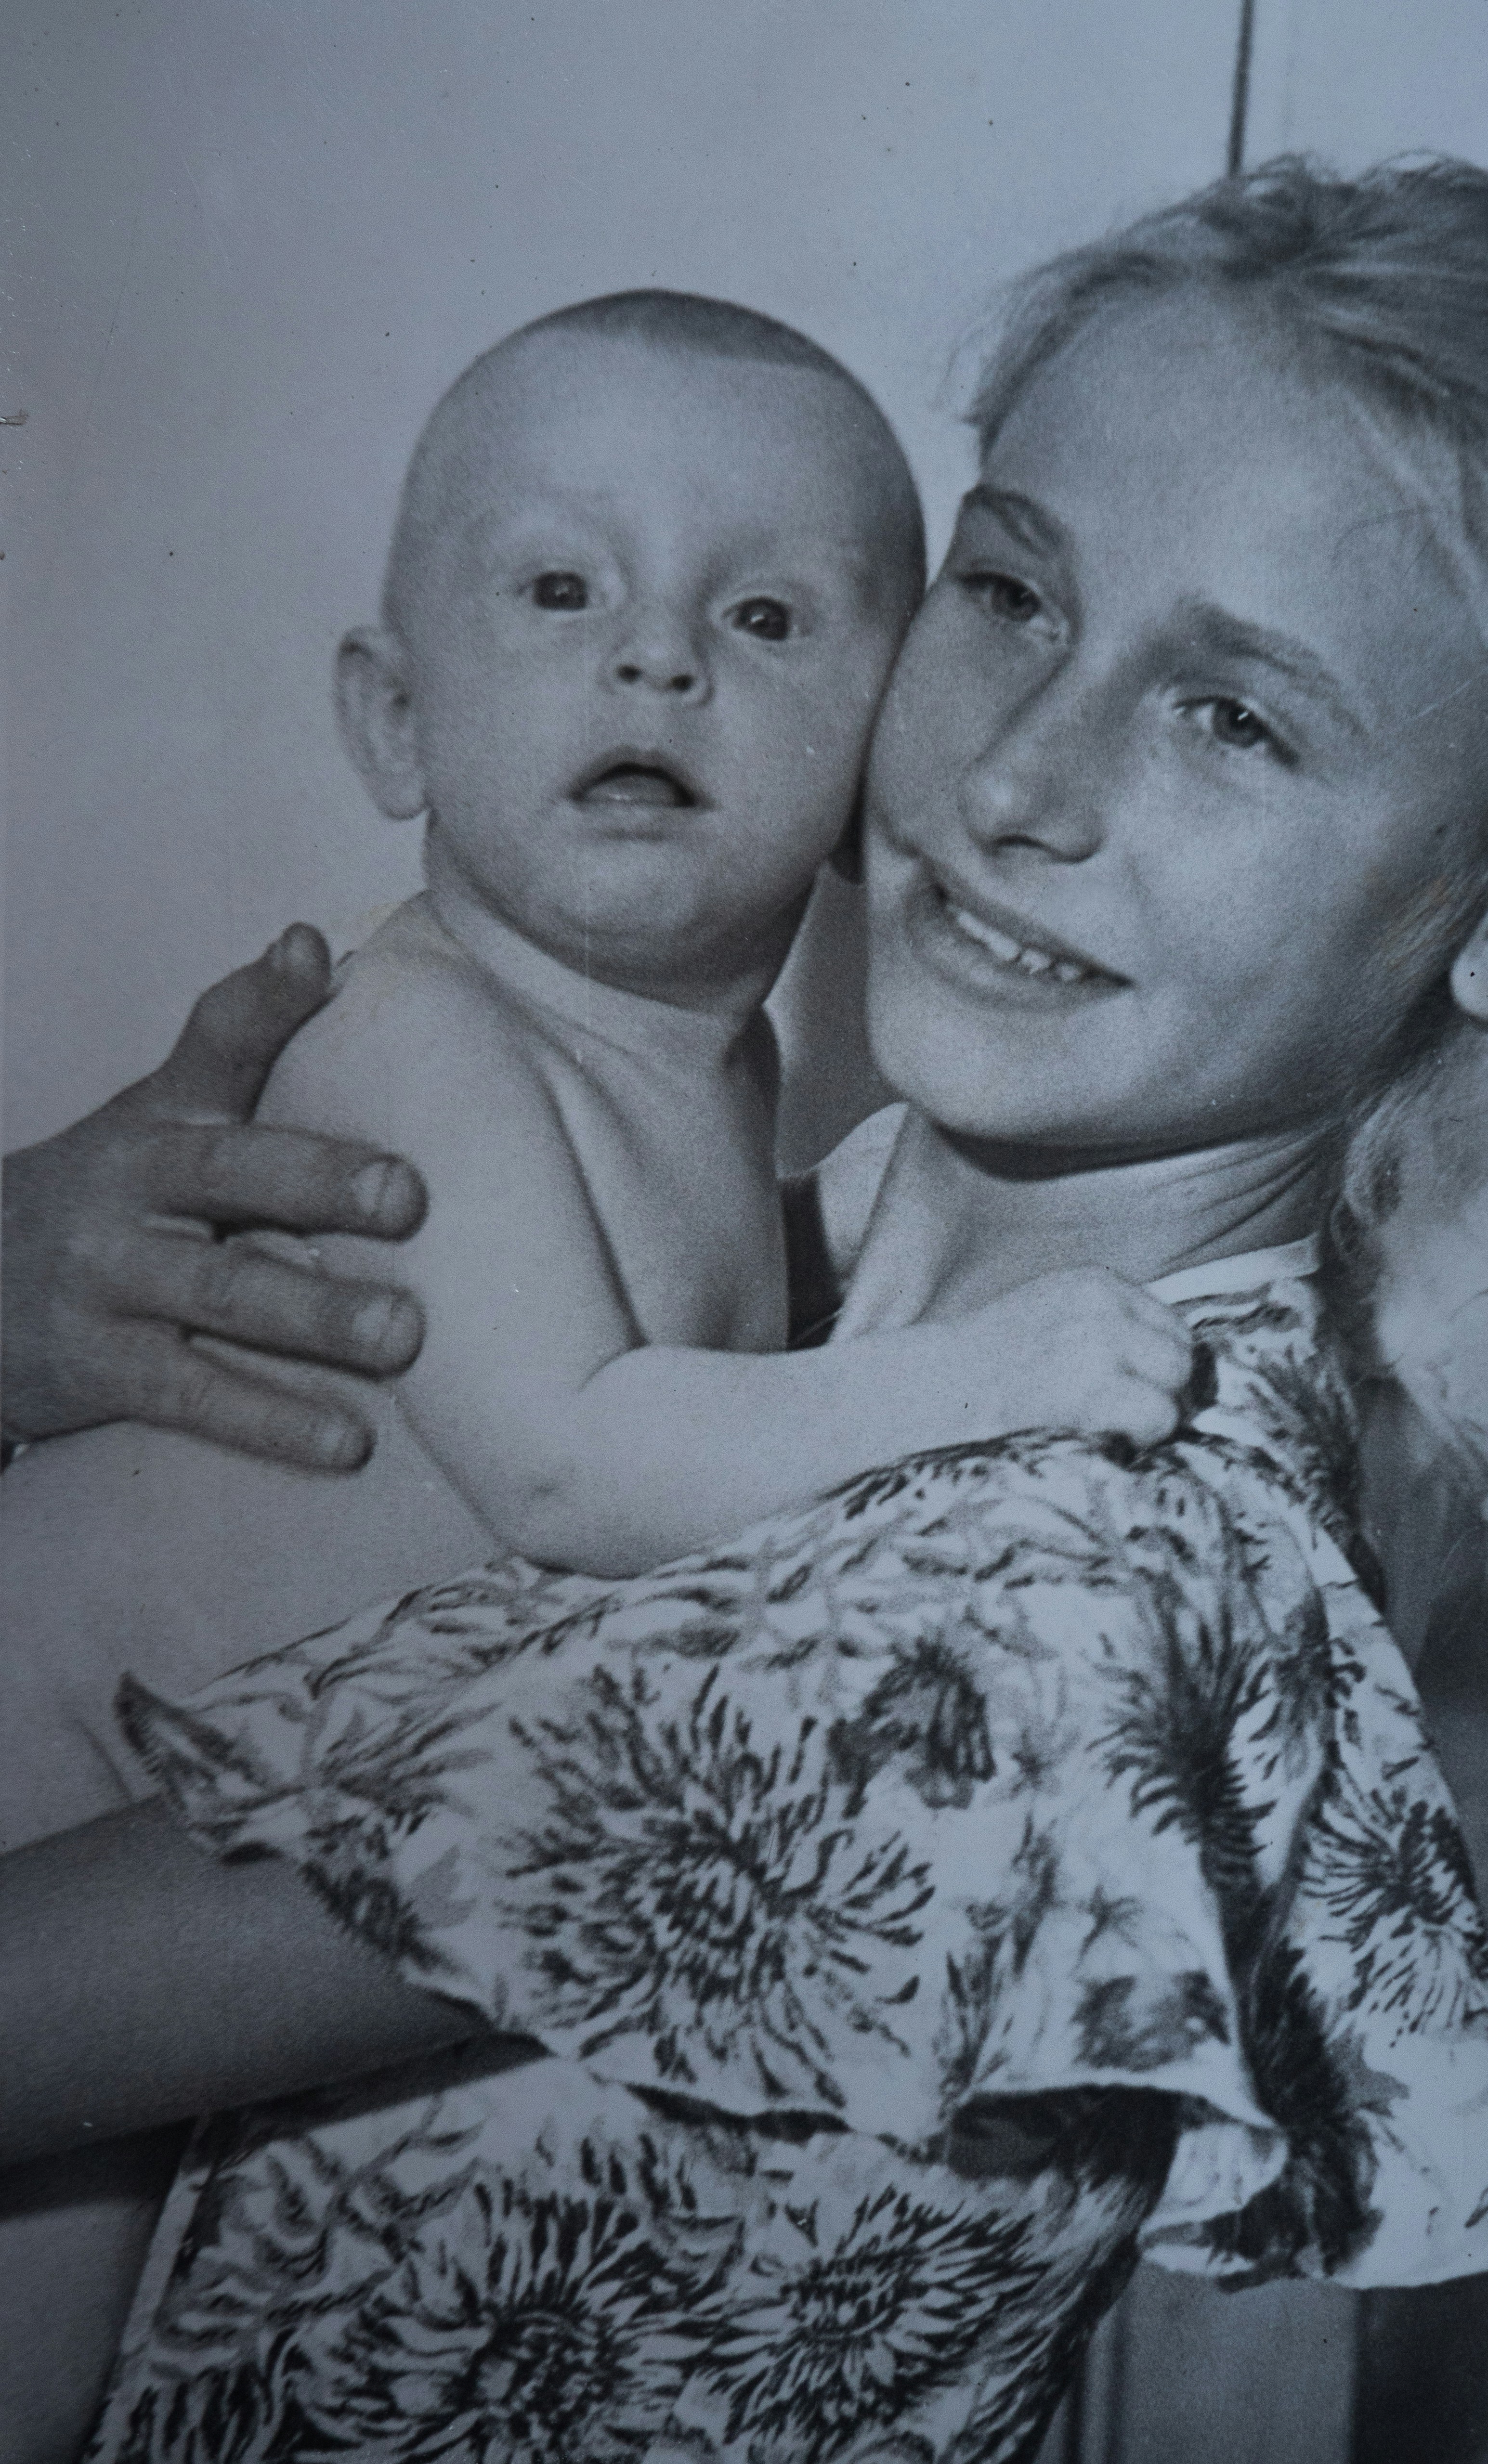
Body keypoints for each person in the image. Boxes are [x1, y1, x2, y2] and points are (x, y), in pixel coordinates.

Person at [0, 157, 1488, 2464]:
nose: (1018, 782)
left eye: (1233, 719)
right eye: (1015, 591)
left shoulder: (1025, 1606)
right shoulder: (758, 1266)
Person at [1, 290, 1201, 2453]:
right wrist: (990, 1370)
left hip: (175, 1808)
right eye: (560, 589)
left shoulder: (708, 1072)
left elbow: (682, 1370)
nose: (657, 658)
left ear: (874, 772)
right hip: (40, 1761)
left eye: (761, 615)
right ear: (394, 720)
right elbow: (573, 1466)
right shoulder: (418, 1028)